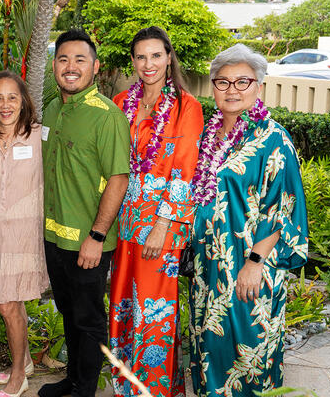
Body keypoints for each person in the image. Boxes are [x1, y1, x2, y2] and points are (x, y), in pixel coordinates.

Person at [189, 44, 308, 396]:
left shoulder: (274, 140)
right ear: (212, 87)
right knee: (210, 347)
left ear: (259, 85)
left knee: (248, 352)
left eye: (243, 81)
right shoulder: (209, 135)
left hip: (249, 266)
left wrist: (254, 263)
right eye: (222, 82)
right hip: (209, 267)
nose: (232, 90)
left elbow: (282, 209)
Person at [108, 26, 204, 396]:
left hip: (161, 224)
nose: (148, 64)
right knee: (123, 305)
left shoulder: (186, 106)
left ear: (169, 58)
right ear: (133, 61)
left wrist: (163, 224)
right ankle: (125, 385)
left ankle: (154, 389)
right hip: (123, 219)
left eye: (156, 55)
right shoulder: (120, 102)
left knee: (154, 309)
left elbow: (185, 167)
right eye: (141, 56)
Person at [39, 29, 131, 397]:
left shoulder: (107, 116)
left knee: (89, 319)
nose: (71, 67)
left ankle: (86, 389)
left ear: (95, 67)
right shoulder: (52, 109)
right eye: (63, 59)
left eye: (80, 60)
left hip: (87, 242)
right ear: (54, 66)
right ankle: (73, 379)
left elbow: (118, 179)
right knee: (68, 312)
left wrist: (96, 236)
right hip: (52, 237)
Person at [0, 70, 48, 397]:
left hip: (24, 236)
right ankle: (28, 361)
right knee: (11, 303)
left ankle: (19, 374)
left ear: (24, 101)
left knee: (8, 305)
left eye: (12, 97)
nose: (5, 104)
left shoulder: (39, 135)